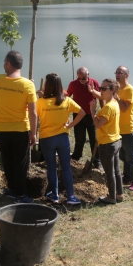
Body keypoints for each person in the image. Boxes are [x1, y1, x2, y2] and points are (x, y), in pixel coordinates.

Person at [0, 50, 38, 204]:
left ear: (9, 64)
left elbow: (11, 83)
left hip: (1, 129)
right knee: (21, 163)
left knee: (7, 160)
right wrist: (33, 133)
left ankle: (12, 190)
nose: (3, 65)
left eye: (4, 62)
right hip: (20, 130)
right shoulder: (28, 86)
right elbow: (33, 113)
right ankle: (20, 195)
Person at [36, 72, 85, 206]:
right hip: (63, 138)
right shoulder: (66, 100)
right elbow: (82, 113)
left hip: (47, 138)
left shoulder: (40, 102)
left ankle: (55, 195)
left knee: (51, 168)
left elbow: (33, 115)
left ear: (48, 86)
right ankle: (71, 196)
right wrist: (70, 125)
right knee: (66, 168)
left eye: (46, 84)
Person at [91, 78, 123, 204]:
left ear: (113, 90)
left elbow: (98, 125)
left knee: (109, 172)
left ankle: (111, 197)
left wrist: (92, 112)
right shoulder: (115, 103)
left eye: (104, 88)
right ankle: (119, 194)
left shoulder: (108, 107)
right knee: (116, 170)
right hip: (116, 141)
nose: (101, 91)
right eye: (101, 88)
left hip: (107, 144)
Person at [67, 67, 102, 167]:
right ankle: (76, 156)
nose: (81, 80)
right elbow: (67, 97)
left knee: (94, 138)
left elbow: (101, 97)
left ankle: (96, 160)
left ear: (88, 75)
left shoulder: (94, 83)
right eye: (79, 78)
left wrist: (103, 109)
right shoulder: (73, 84)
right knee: (79, 137)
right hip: (78, 115)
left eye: (83, 78)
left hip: (92, 114)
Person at [114, 66, 133, 191]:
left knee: (131, 156)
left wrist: (117, 99)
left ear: (127, 75)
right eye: (117, 72)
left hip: (128, 129)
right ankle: (127, 176)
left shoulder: (130, 90)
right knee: (122, 156)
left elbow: (124, 108)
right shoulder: (117, 89)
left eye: (121, 72)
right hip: (118, 129)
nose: (117, 74)